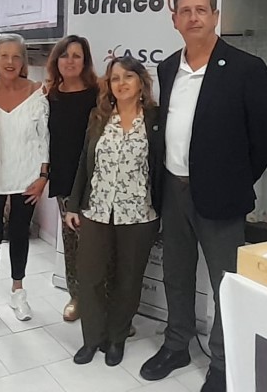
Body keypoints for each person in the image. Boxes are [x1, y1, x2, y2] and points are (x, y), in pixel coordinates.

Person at [139, 0, 267, 392]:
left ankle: (222, 362)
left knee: (225, 283)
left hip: (221, 195)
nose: (194, 17)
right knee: (176, 274)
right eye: (185, 11)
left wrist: (237, 179)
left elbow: (265, 133)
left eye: (202, 10)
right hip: (172, 189)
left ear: (216, 16)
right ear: (175, 20)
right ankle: (176, 345)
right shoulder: (168, 67)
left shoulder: (245, 68)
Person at [64, 57, 162, 367]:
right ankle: (92, 339)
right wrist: (74, 205)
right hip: (97, 210)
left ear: (141, 82)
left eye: (128, 76)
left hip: (140, 214)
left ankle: (117, 338)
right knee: (90, 277)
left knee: (128, 280)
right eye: (115, 78)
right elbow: (85, 162)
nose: (121, 83)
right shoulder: (99, 117)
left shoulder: (156, 119)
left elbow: (163, 166)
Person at [0, 33, 49, 326]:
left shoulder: (38, 92)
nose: (10, 61)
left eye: (16, 56)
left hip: (27, 178)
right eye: (4, 56)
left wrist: (43, 176)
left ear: (23, 62)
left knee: (20, 234)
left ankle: (18, 291)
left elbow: (44, 137)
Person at [45, 35, 99, 322]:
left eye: (77, 56)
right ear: (57, 61)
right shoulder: (49, 96)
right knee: (72, 243)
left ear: (85, 61)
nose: (70, 61)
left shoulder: (99, 95)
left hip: (97, 181)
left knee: (99, 246)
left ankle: (103, 304)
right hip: (65, 180)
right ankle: (76, 297)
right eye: (65, 55)